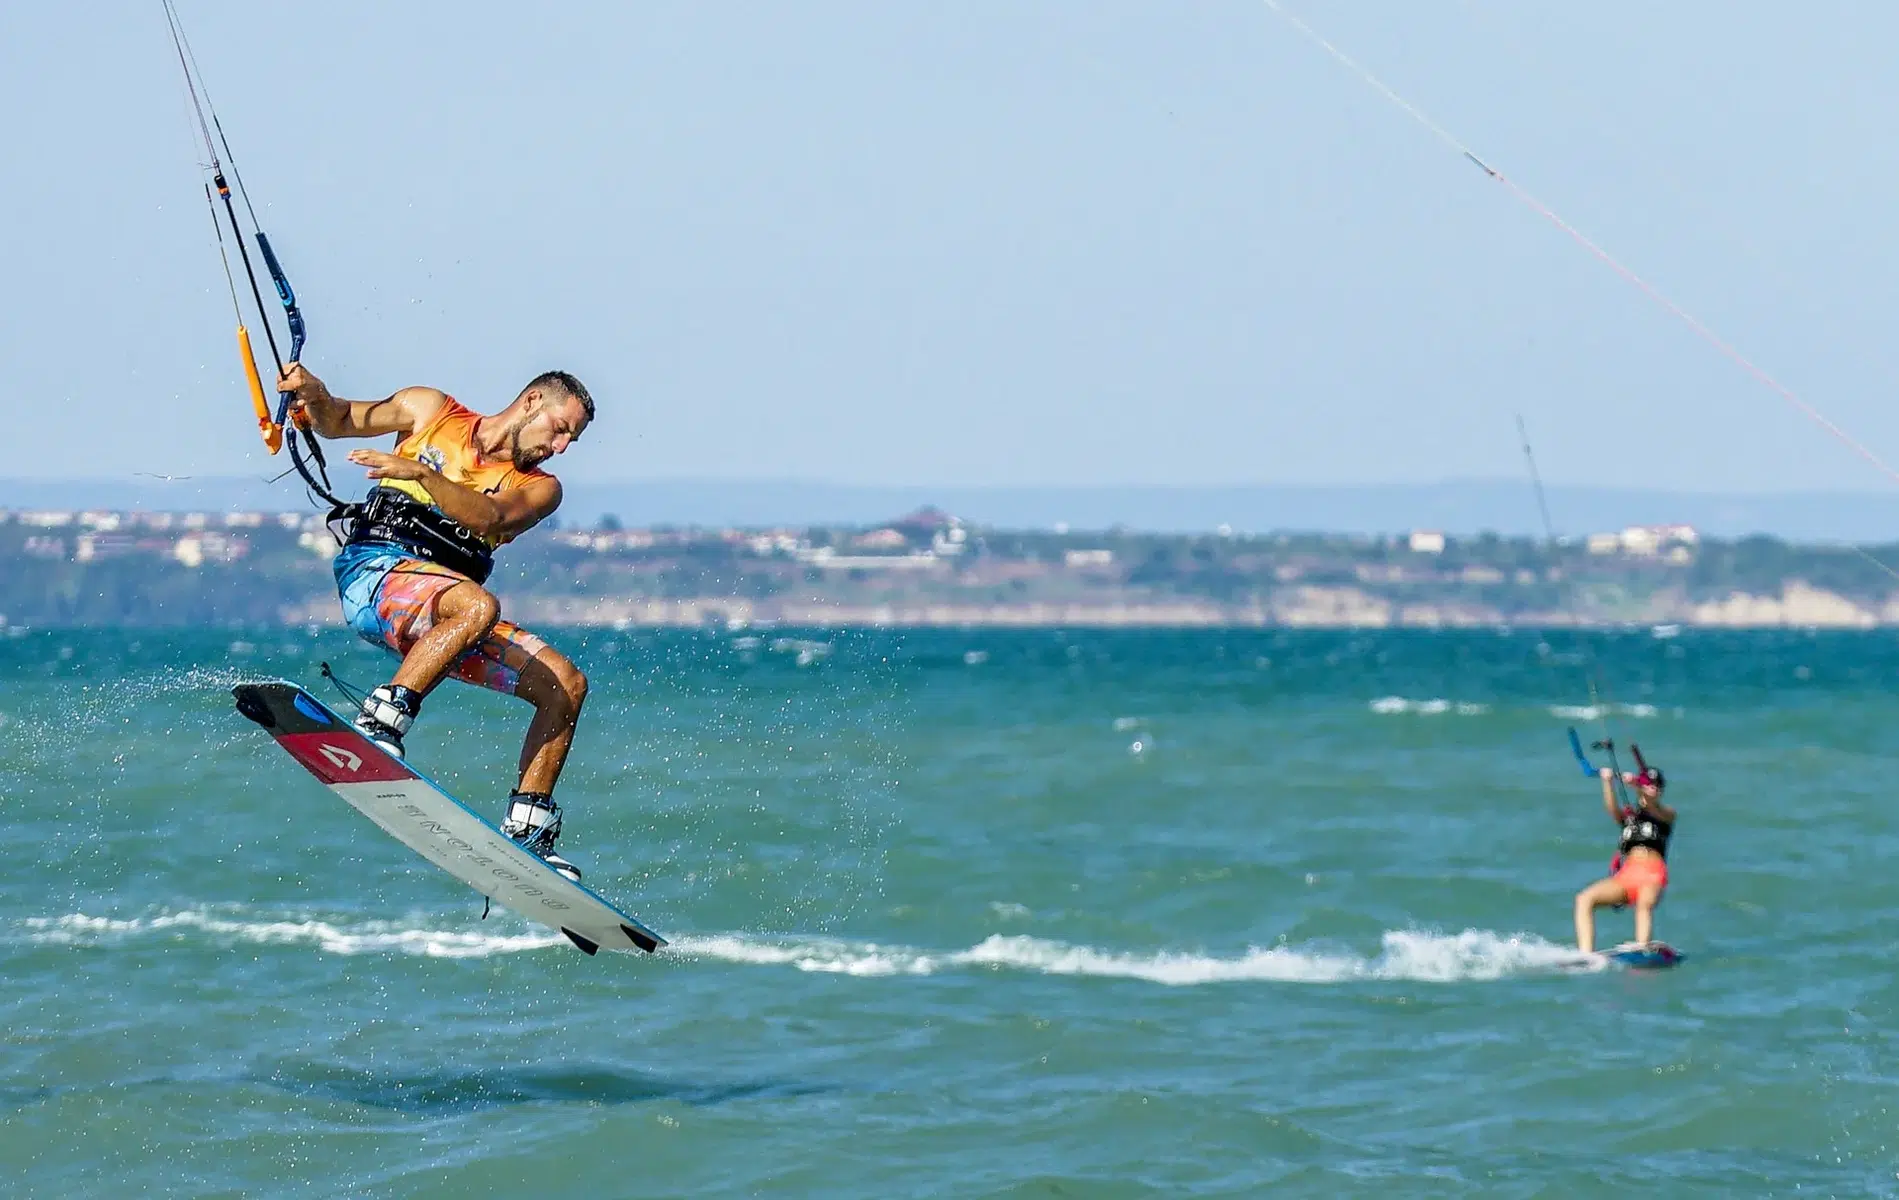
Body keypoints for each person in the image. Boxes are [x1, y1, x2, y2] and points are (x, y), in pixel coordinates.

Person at [277, 363, 594, 882]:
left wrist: (423, 475)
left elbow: (491, 519)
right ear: (533, 401)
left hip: (449, 614)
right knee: (476, 606)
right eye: (560, 429)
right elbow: (336, 420)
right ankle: (379, 723)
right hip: (376, 574)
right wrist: (315, 395)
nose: (560, 447)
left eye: (572, 441)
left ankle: (528, 830)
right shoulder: (430, 410)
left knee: (565, 685)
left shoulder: (541, 489)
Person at [1573, 762, 1676, 952]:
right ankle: (1585, 954)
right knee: (1584, 899)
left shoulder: (1666, 815)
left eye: (1657, 786)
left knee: (1644, 902)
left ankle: (1642, 945)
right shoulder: (1629, 818)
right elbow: (1612, 808)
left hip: (1652, 874)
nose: (1653, 789)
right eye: (1649, 784)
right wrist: (1607, 781)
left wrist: (1637, 786)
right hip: (1627, 875)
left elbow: (1653, 806)